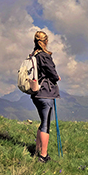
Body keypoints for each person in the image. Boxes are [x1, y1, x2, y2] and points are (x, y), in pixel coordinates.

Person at [30, 30, 60, 163]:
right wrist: (57, 77)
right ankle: (43, 156)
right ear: (45, 41)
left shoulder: (33, 55)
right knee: (46, 125)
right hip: (46, 93)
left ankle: (37, 151)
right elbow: (53, 74)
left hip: (35, 93)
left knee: (43, 122)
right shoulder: (44, 56)